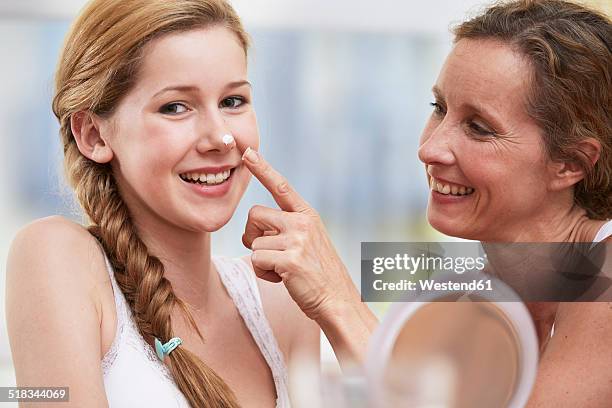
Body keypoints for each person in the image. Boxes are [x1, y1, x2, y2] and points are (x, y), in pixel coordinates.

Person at [239, 0, 612, 406]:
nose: (430, 149)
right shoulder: (471, 300)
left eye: (479, 128)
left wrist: (338, 301)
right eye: (439, 109)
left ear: (570, 164)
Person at [5, 1, 319, 407]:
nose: (221, 138)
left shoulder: (280, 302)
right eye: (175, 107)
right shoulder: (56, 257)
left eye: (233, 101)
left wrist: (339, 303)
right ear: (94, 135)